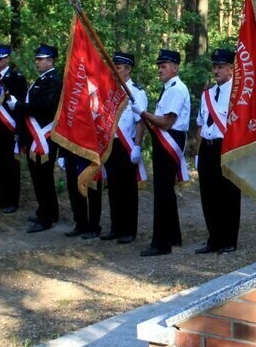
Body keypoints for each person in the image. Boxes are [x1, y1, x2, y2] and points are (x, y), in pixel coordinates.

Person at [135, 49, 190, 257]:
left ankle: (161, 243)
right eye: (159, 65)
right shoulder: (169, 88)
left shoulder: (176, 89)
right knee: (165, 190)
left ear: (175, 67)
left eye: (164, 65)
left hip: (170, 141)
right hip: (165, 141)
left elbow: (166, 122)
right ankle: (173, 236)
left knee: (162, 192)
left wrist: (142, 113)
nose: (159, 69)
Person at [7, 43, 62, 233]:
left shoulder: (53, 80)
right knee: (39, 175)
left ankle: (46, 218)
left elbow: (45, 106)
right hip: (35, 135)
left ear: (50, 60)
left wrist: (19, 106)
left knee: (42, 177)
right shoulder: (42, 79)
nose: (37, 62)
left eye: (40, 59)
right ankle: (48, 211)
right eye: (37, 59)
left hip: (44, 136)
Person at [194, 48, 242, 255]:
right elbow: (200, 124)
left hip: (227, 147)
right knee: (208, 194)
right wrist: (197, 153)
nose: (216, 70)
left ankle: (229, 239)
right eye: (214, 66)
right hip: (208, 146)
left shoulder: (238, 93)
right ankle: (213, 238)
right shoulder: (207, 94)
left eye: (221, 66)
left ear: (231, 69)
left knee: (229, 193)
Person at [100, 51, 147, 244]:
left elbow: (141, 121)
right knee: (114, 187)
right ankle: (116, 227)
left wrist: (137, 146)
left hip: (127, 145)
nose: (114, 70)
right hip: (113, 144)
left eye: (117, 68)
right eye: (113, 67)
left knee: (127, 189)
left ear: (128, 69)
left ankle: (129, 230)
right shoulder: (111, 91)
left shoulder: (136, 92)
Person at [0, 43, 28, 213]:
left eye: (1, 58)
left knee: (11, 165)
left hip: (10, 129)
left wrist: (19, 130)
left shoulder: (17, 78)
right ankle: (2, 198)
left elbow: (19, 106)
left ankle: (12, 200)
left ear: (8, 59)